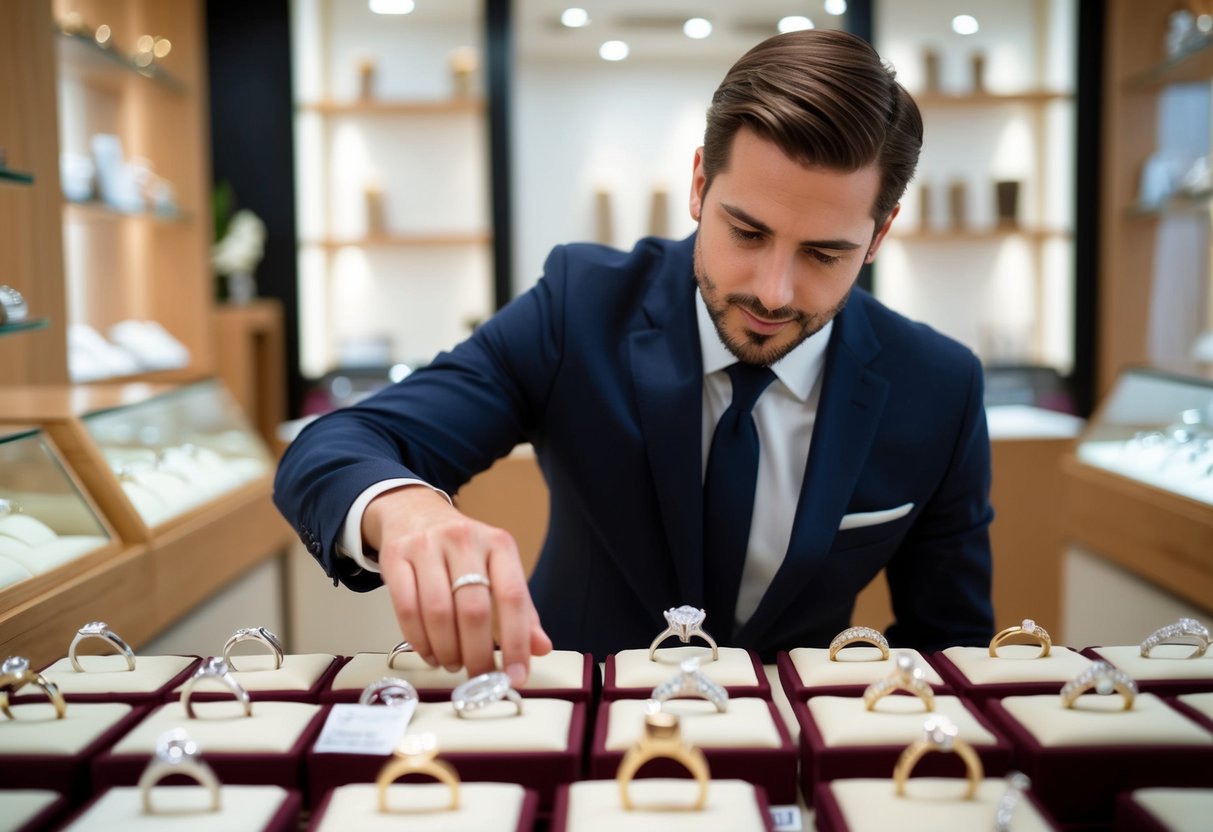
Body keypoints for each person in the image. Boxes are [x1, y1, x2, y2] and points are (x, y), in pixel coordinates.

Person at [274, 28, 994, 687]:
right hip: (580, 737)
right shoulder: (579, 308)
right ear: (698, 186)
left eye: (823, 253)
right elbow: (337, 445)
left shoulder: (938, 386)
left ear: (879, 234)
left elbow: (948, 645)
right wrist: (404, 511)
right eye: (745, 233)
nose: (773, 292)